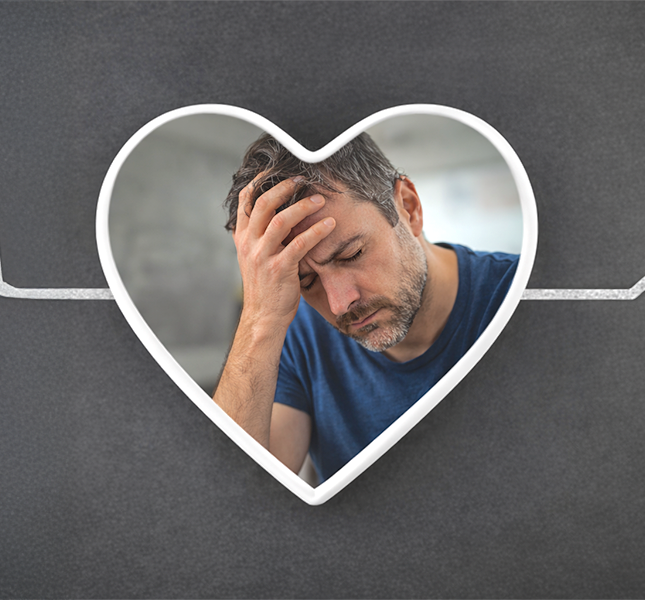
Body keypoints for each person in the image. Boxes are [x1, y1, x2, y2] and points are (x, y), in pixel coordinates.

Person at [214, 132, 519, 483]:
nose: (341, 303)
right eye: (307, 281)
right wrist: (259, 318)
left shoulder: (521, 294)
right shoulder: (295, 335)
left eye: (351, 255)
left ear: (408, 207)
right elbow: (230, 499)